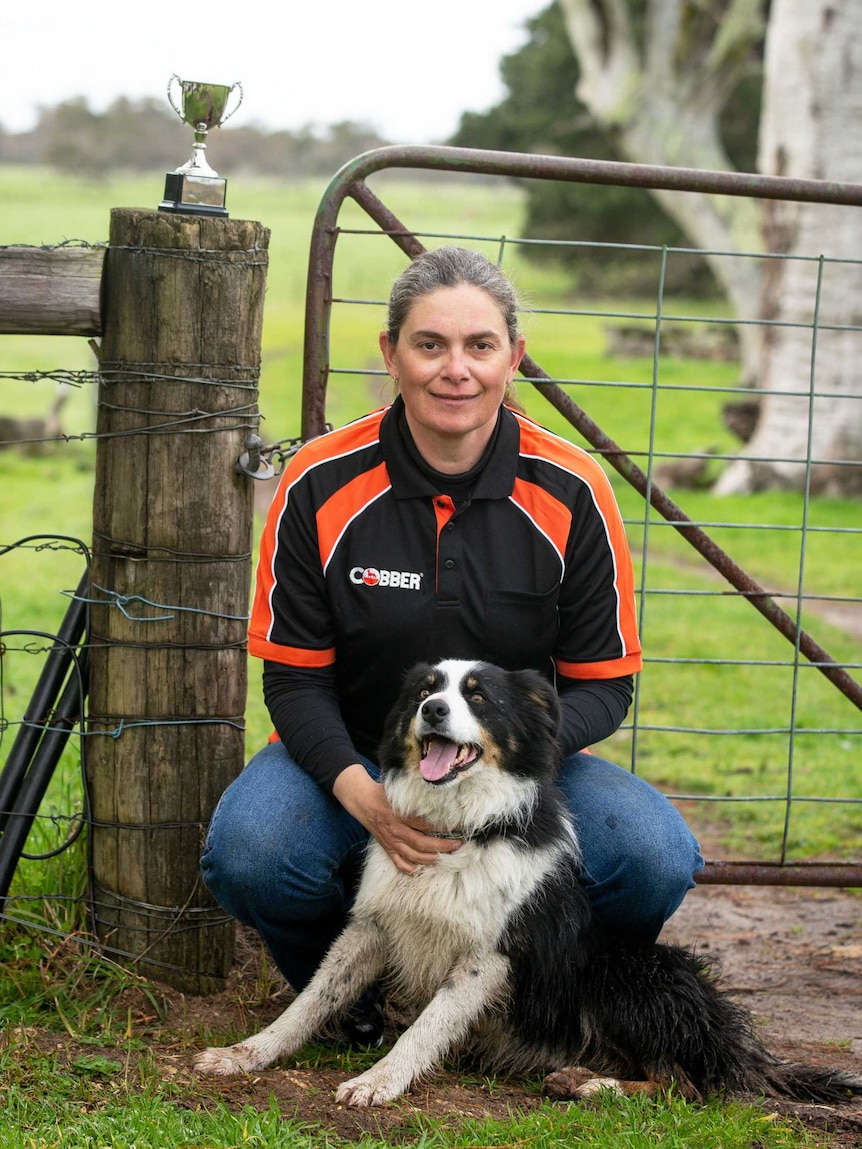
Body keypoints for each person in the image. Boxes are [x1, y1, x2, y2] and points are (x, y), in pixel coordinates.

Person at [201, 246, 704, 1043]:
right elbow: (293, 680)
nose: (454, 370)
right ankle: (353, 1008)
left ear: (515, 357)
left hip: (513, 763)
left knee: (653, 855)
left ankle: (530, 1012)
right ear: (391, 353)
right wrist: (363, 794)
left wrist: (513, 768)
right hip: (356, 754)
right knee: (254, 854)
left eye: (480, 346)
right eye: (429, 345)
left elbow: (604, 685)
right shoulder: (318, 482)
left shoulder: (575, 488)